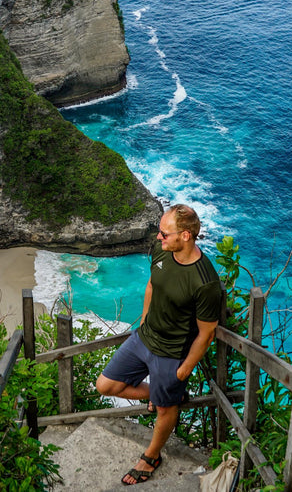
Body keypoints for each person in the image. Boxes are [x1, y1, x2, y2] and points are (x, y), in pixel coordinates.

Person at [95, 204, 223, 485]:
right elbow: (152, 285)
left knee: (165, 409)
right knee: (105, 385)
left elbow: (206, 334)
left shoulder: (205, 282)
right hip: (144, 338)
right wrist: (143, 321)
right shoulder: (162, 252)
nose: (158, 237)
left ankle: (151, 457)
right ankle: (164, 395)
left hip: (172, 353)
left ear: (186, 236)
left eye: (165, 233)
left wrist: (183, 371)